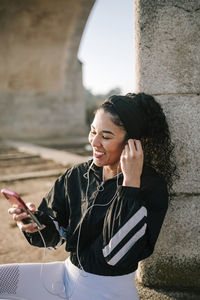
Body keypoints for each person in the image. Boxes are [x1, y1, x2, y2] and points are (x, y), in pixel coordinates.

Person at [4, 93, 177, 300]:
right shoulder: (78, 174)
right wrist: (35, 224)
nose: (94, 142)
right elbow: (55, 235)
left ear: (131, 143)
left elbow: (117, 255)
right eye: (93, 131)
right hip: (66, 276)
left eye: (105, 136)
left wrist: (130, 183)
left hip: (109, 291)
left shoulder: (150, 186)